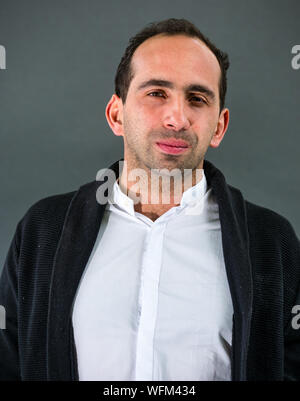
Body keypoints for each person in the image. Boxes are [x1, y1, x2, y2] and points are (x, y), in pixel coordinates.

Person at [0, 18, 300, 382]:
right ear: (116, 114)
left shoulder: (271, 242)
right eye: (156, 93)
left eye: (197, 98)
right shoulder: (43, 230)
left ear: (218, 126)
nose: (177, 118)